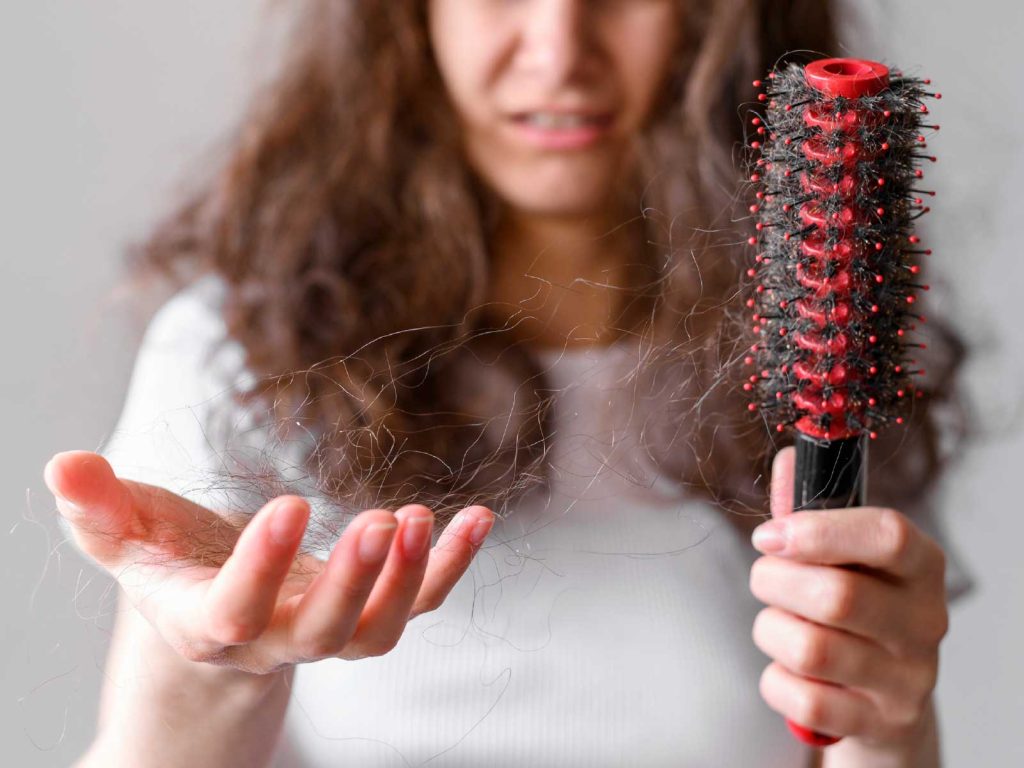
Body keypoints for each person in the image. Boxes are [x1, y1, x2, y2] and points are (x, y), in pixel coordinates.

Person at [43, 1, 968, 765]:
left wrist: (890, 725)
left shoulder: (830, 355)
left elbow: (845, 726)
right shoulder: (240, 356)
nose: (559, 50)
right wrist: (208, 662)